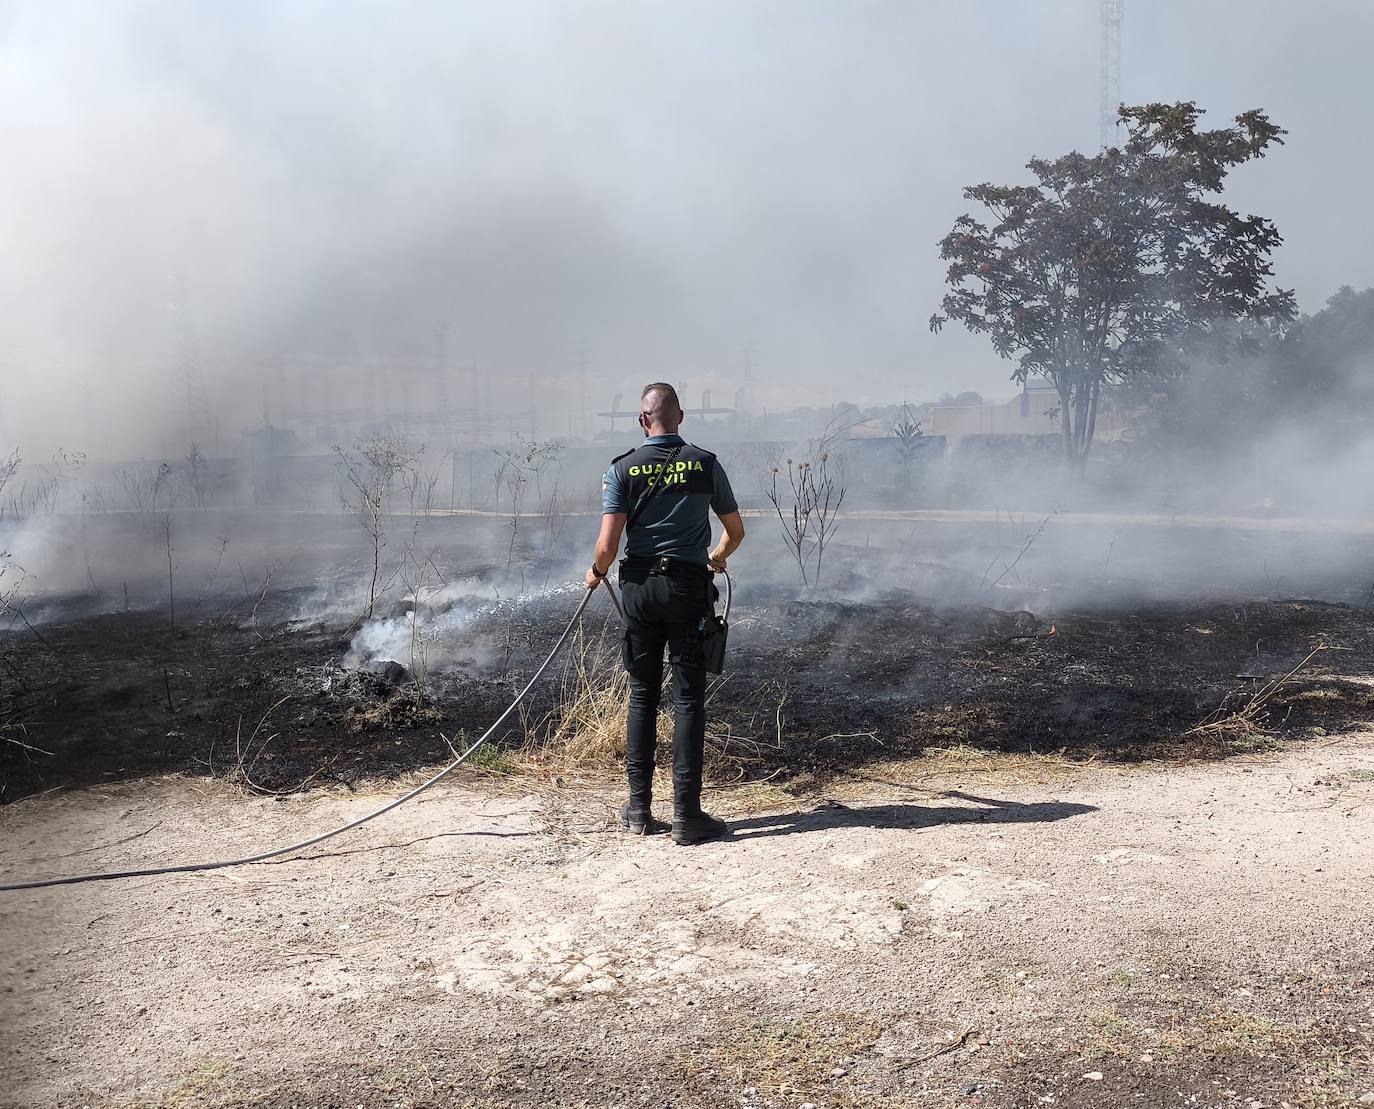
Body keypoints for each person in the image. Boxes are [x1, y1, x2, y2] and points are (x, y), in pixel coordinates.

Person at [585, 383, 746, 845]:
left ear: (643, 420)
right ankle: (686, 816)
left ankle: (638, 811)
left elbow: (608, 545)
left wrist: (597, 572)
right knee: (688, 698)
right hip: (686, 587)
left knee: (641, 696)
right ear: (681, 417)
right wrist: (716, 556)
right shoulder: (705, 464)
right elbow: (735, 531)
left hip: (639, 588)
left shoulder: (621, 469)